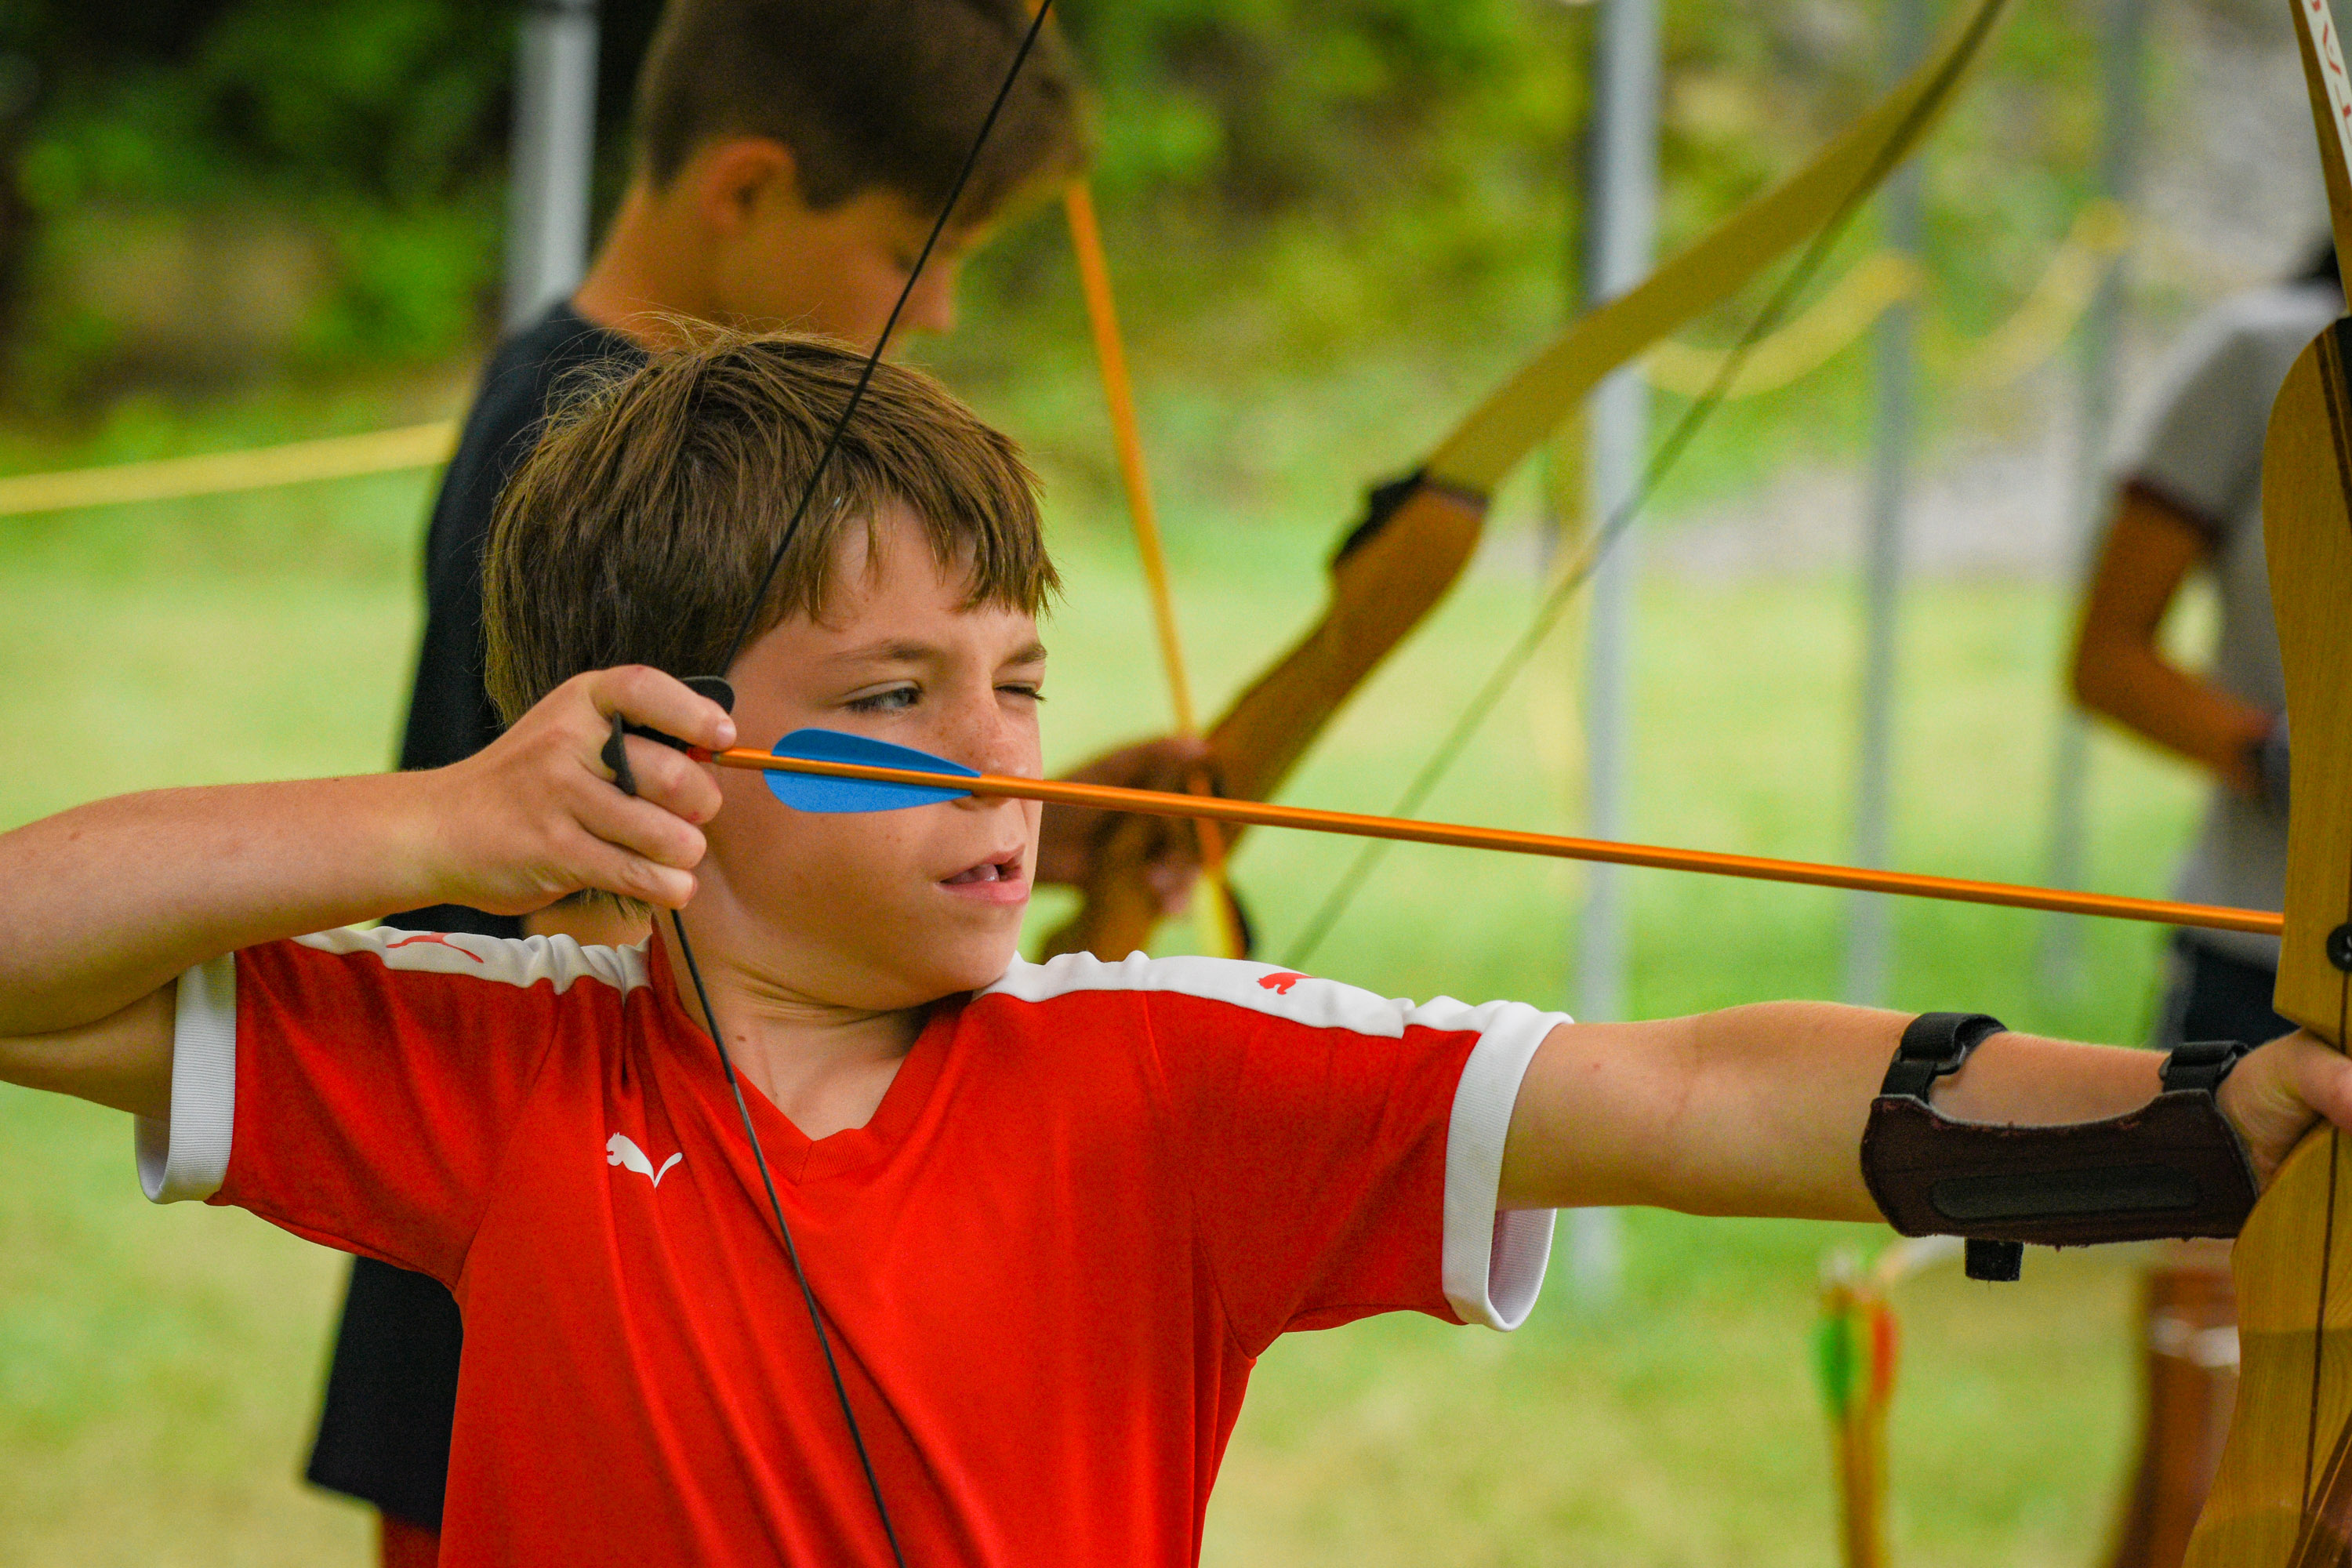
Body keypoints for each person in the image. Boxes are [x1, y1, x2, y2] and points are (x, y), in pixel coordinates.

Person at [2, 332, 2342, 1566]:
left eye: (1018, 679)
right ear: (660, 745)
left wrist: (2200, 1123)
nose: (1001, 758)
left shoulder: (1154, 1073)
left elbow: (1696, 1091)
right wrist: (439, 822)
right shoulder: (511, 1062)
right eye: (892, 701)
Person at [339, 2, 1206, 1558]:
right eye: (910, 249)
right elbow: (570, 880)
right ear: (745, 188)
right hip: (537, 1242)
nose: (937, 306)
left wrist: (1018, 822)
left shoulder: (610, 409)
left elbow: (728, 812)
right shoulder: (599, 456)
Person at [2069, 243, 2342, 1568]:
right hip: (2261, 963)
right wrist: (2290, 759)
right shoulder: (2268, 352)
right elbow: (2108, 655)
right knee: (2204, 1454)